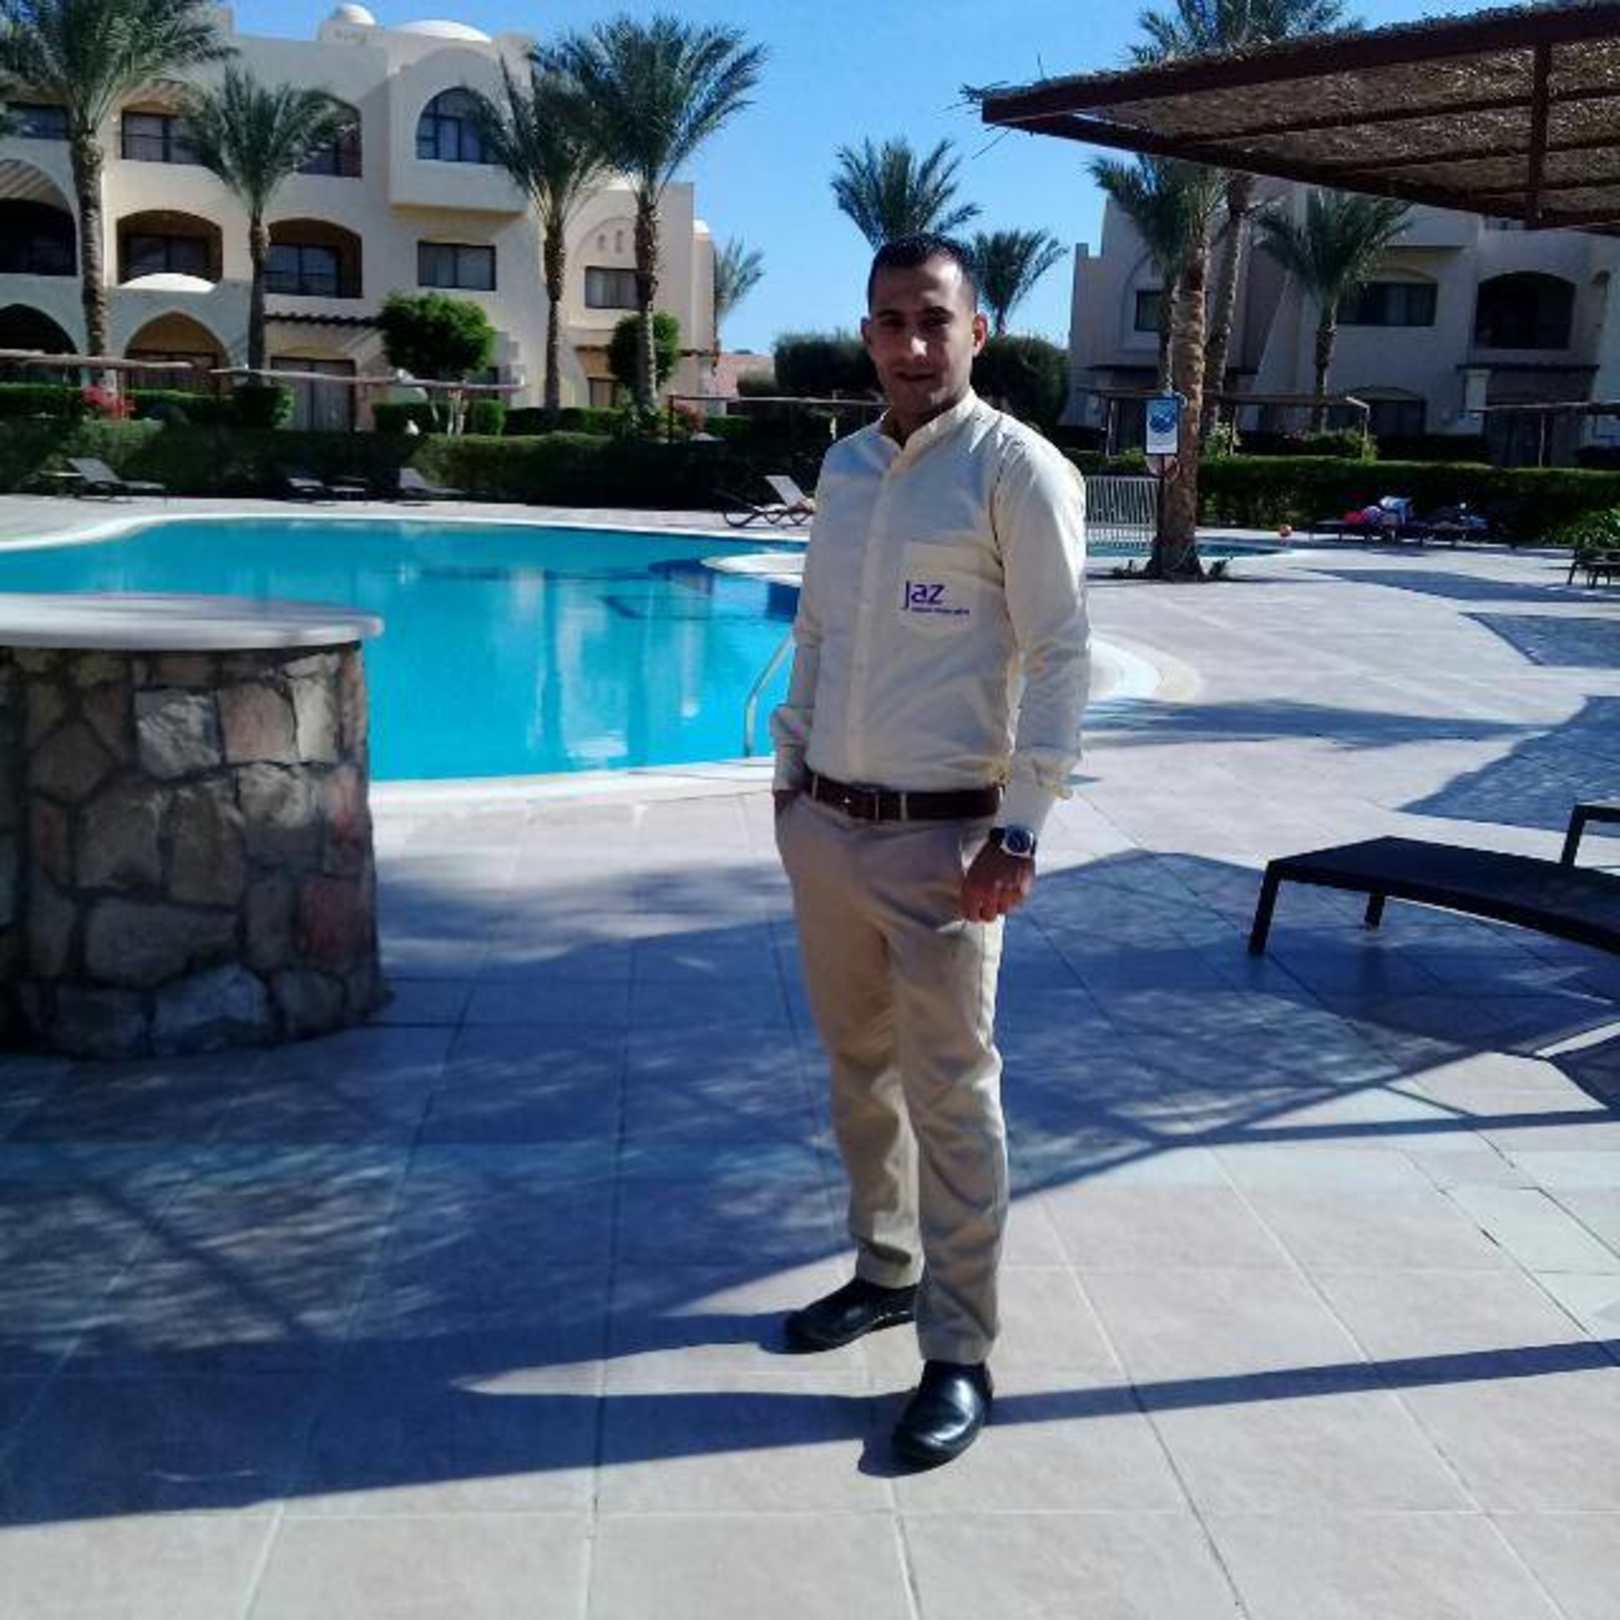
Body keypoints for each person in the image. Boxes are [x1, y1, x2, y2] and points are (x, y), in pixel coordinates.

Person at [770, 233, 1090, 1466]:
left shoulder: (1019, 471)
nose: (912, 344)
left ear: (977, 332)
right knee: (859, 1070)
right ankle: (887, 1269)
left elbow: (1061, 658)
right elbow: (816, 634)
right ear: (867, 334)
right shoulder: (846, 467)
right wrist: (790, 783)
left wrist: (1022, 826)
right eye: (891, 321)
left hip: (950, 843)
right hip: (829, 826)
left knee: (953, 1094)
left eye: (934, 320)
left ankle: (960, 1349)